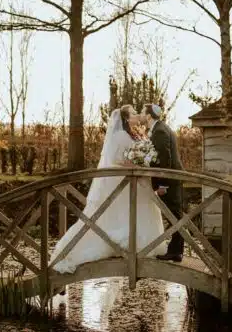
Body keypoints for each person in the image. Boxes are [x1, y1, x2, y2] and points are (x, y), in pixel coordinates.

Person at [51, 106, 167, 274]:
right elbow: (116, 159)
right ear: (126, 118)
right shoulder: (120, 136)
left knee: (130, 213)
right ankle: (76, 251)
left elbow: (132, 155)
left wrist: (141, 159)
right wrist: (137, 162)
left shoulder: (132, 134)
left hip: (134, 182)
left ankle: (139, 246)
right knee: (118, 215)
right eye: (134, 113)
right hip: (123, 183)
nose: (136, 115)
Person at [145, 103, 185, 262]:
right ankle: (176, 251)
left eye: (143, 111)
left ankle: (175, 251)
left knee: (174, 215)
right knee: (175, 215)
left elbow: (165, 160)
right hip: (173, 179)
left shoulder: (160, 131)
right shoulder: (162, 128)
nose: (142, 114)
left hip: (170, 181)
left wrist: (163, 185)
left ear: (149, 116)